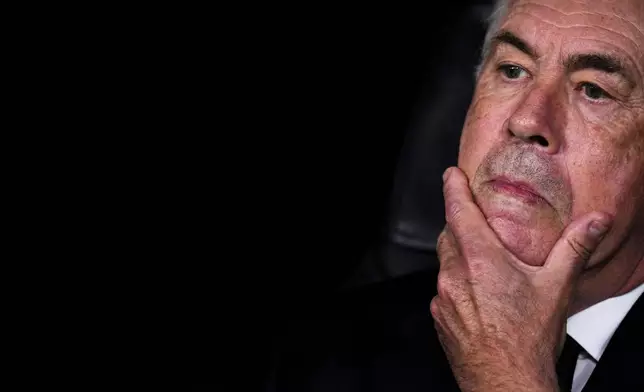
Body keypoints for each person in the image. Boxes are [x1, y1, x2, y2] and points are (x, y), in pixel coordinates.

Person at [265, 0, 644, 391]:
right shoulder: (328, 351)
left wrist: (504, 372)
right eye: (512, 70)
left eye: (594, 91)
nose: (527, 120)